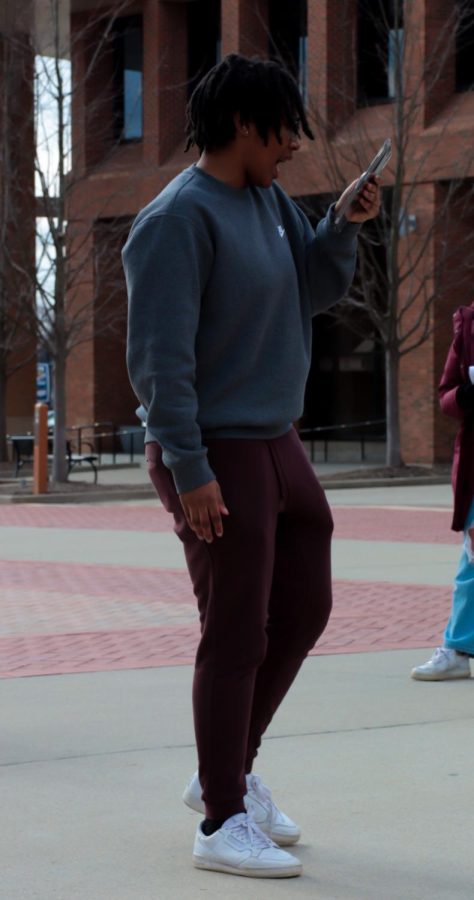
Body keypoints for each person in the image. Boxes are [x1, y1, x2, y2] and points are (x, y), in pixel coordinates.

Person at [123, 53, 380, 879]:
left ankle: (223, 774)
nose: (297, 146)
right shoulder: (175, 220)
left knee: (304, 606)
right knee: (234, 632)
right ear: (242, 125)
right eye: (287, 129)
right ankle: (222, 822)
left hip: (276, 437)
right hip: (215, 449)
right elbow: (159, 360)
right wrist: (189, 466)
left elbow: (305, 291)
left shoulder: (265, 201)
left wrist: (339, 225)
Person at [412, 304, 474, 681]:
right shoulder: (467, 327)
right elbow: (447, 394)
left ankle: (457, 646)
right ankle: (457, 647)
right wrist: (468, 395)